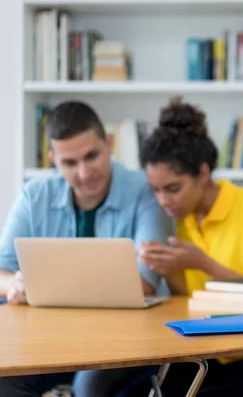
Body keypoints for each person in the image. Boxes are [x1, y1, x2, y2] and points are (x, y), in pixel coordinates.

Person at [0, 101, 171, 397]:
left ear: (109, 143)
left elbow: (144, 284)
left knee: (90, 387)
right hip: (47, 338)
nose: (84, 172)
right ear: (53, 160)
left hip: (122, 340)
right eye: (69, 163)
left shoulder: (144, 192)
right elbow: (1, 270)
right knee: (5, 381)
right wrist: (14, 283)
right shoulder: (34, 195)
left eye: (91, 156)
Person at [138, 96, 243, 396]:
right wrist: (168, 270)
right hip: (203, 350)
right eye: (156, 190)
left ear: (203, 174)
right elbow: (188, 300)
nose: (163, 201)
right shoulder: (178, 219)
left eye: (173, 188)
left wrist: (203, 263)